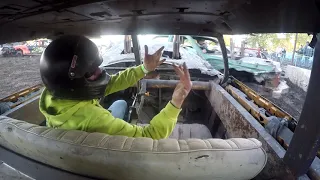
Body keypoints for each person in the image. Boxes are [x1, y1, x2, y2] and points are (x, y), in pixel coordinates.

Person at [39, 35, 192, 140]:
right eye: (91, 72)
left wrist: (144, 69)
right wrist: (176, 102)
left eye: (97, 66)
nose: (100, 72)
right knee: (122, 104)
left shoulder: (52, 95)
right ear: (74, 83)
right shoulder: (96, 119)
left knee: (120, 103)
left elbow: (111, 83)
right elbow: (150, 136)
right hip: (104, 133)